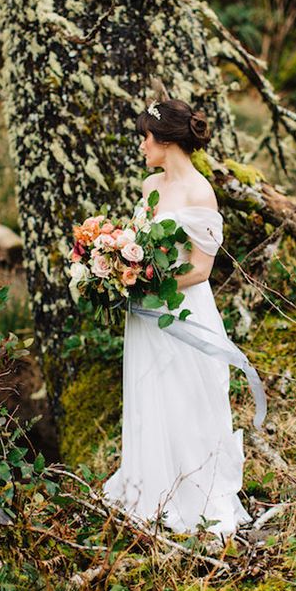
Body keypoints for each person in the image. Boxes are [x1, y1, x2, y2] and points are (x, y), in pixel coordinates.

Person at [102, 98, 252, 539]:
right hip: (146, 314)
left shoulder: (200, 191)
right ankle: (150, 488)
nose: (142, 146)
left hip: (181, 308)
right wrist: (116, 267)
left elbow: (202, 268)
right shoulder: (151, 186)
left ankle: (193, 496)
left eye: (146, 138)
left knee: (188, 395)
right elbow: (137, 241)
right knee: (150, 391)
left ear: (166, 140)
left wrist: (148, 281)